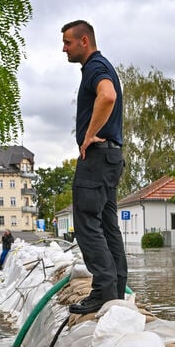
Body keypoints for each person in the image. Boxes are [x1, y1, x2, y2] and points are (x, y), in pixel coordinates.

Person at [61, 19, 127, 314]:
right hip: (112, 158)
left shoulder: (95, 67)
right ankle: (116, 291)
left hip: (98, 158)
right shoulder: (102, 65)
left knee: (87, 224)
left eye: (68, 43)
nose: (64, 49)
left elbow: (108, 95)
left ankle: (102, 292)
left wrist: (88, 135)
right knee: (108, 225)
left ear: (84, 41)